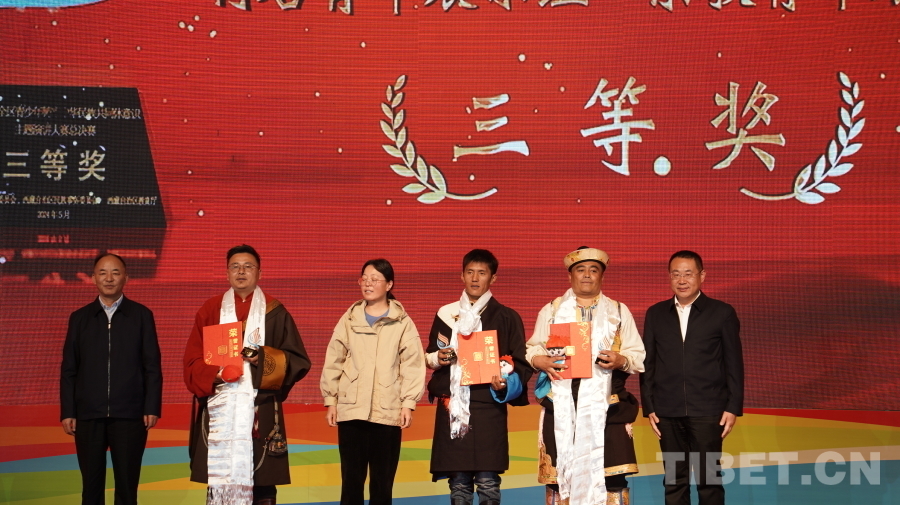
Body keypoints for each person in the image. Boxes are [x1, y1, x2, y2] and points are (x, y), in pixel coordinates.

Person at [183, 245, 311, 505]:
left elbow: (298, 361)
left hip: (259, 409)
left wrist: (262, 359)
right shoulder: (211, 310)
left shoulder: (275, 312)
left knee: (263, 484)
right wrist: (218, 373)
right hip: (220, 407)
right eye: (235, 266)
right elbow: (192, 362)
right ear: (227, 272)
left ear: (259, 273)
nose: (241, 272)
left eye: (248, 266)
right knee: (220, 480)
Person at [527, 246, 645, 505]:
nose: (587, 275)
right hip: (562, 404)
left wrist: (621, 360)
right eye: (581, 270)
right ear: (570, 275)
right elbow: (533, 347)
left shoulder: (618, 311)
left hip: (608, 405)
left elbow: (637, 354)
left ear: (602, 276)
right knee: (559, 479)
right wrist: (539, 360)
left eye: (594, 270)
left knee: (613, 478)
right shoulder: (553, 310)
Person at [425, 249, 532, 505]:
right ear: (461, 275)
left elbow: (521, 362)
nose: (475, 278)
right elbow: (430, 355)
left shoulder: (507, 316)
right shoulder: (446, 313)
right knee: (459, 483)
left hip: (489, 404)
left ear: (493, 278)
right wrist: (439, 357)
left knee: (488, 481)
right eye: (470, 272)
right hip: (453, 404)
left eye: (482, 273)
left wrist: (505, 382)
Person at [640, 251, 744, 505]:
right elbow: (648, 363)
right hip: (667, 412)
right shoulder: (656, 313)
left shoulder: (722, 312)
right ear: (669, 277)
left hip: (708, 412)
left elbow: (734, 363)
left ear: (702, 276)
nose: (682, 280)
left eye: (688, 273)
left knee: (709, 479)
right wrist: (649, 406)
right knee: (674, 480)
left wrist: (733, 407)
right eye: (676, 274)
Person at [320, 258, 426, 505]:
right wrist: (331, 400)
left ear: (389, 284)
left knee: (382, 485)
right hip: (351, 411)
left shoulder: (402, 322)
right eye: (364, 279)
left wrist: (408, 403)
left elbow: (412, 364)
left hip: (387, 411)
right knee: (351, 483)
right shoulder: (349, 319)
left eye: (375, 279)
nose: (368, 283)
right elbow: (334, 359)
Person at [60, 253, 163, 505]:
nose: (109, 278)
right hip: (88, 415)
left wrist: (151, 407)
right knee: (91, 489)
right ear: (93, 277)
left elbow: (152, 366)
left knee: (127, 488)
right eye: (103, 272)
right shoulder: (80, 318)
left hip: (130, 415)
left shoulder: (141, 315)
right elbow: (69, 369)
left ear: (126, 278)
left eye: (115, 272)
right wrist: (68, 411)